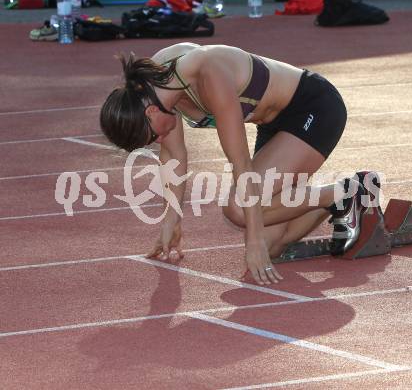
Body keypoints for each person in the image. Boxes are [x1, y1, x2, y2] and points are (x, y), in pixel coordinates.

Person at [100, 42, 374, 286]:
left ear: (149, 111)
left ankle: (346, 193)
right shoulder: (153, 91)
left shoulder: (207, 73)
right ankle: (340, 195)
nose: (160, 139)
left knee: (239, 212)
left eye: (154, 136)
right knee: (272, 244)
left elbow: (241, 163)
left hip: (313, 108)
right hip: (274, 126)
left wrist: (252, 240)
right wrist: (171, 220)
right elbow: (173, 157)